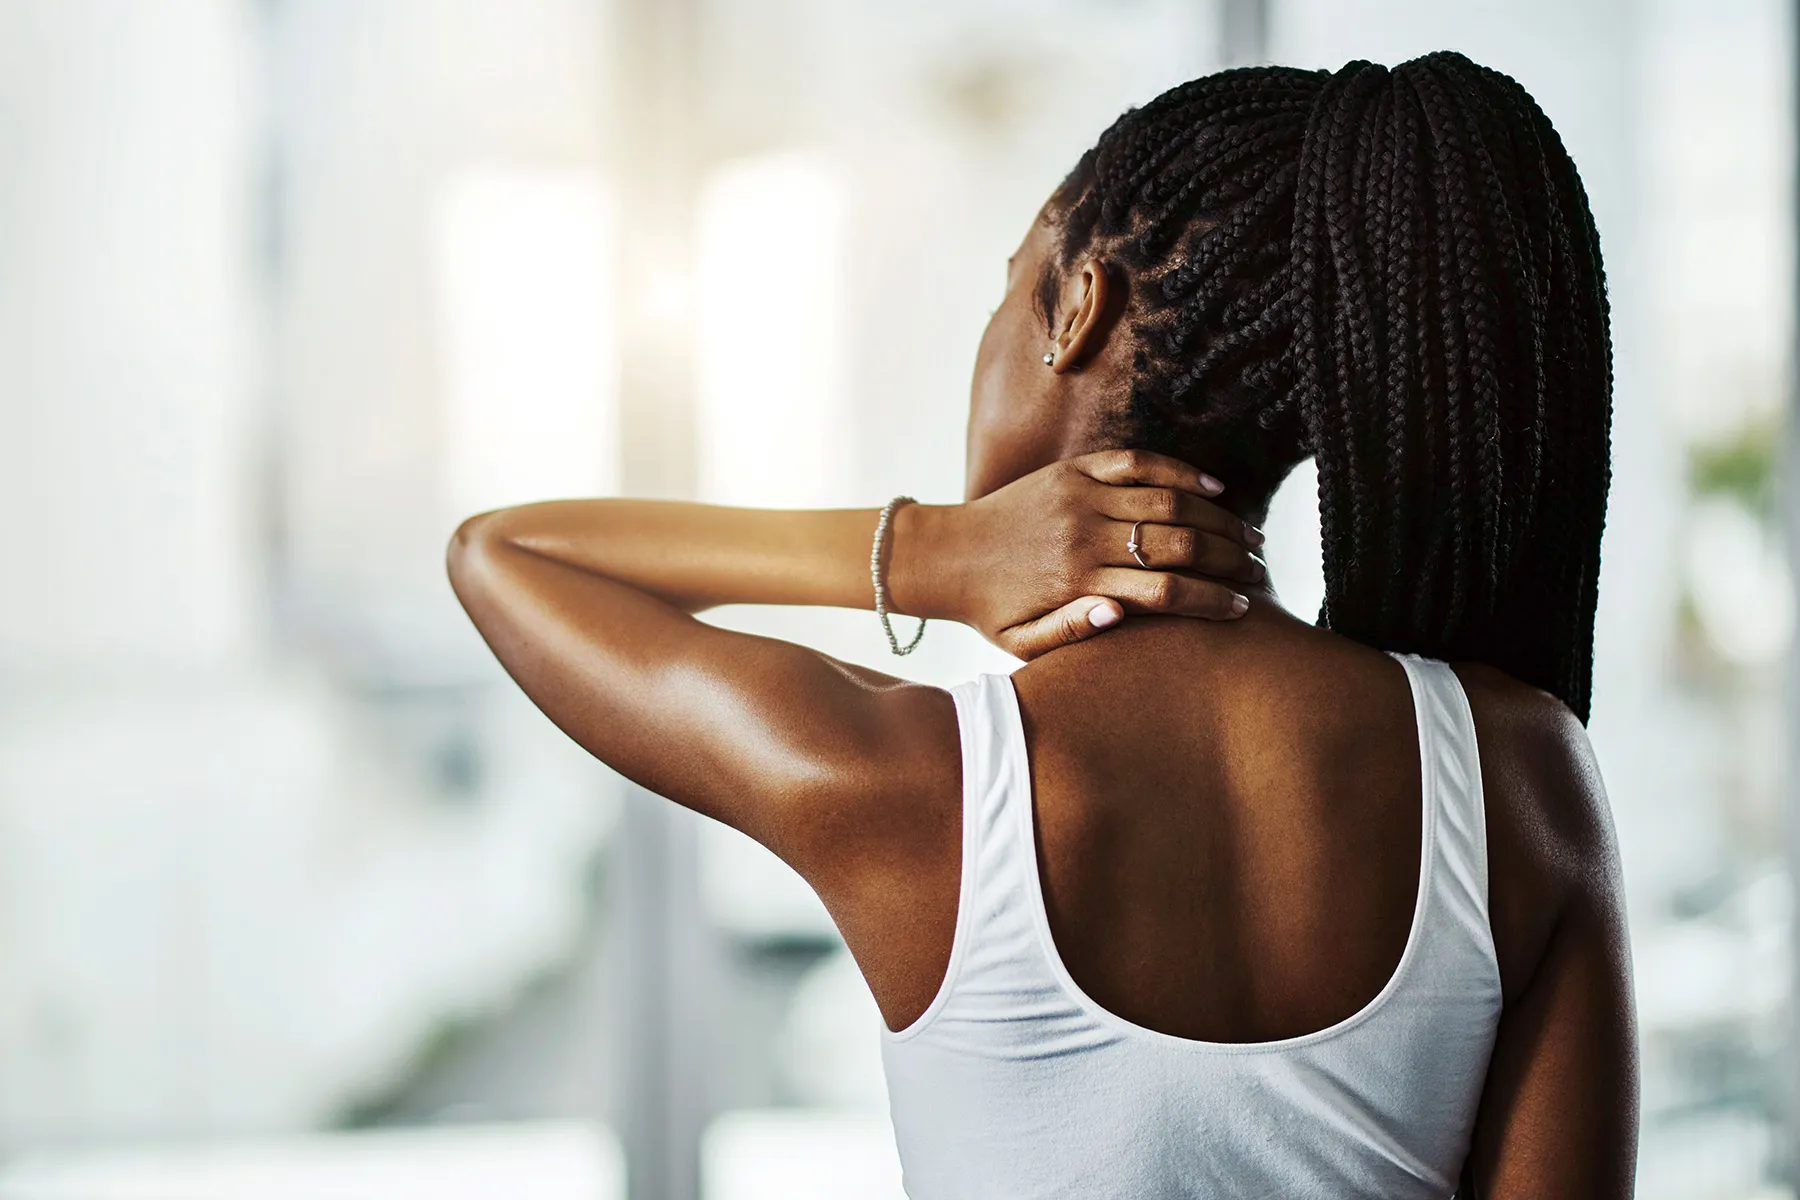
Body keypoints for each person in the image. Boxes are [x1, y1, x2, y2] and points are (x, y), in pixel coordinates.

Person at [448, 51, 1636, 1200]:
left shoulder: (912, 784)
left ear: (1076, 306)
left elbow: (504, 557)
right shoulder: (1521, 778)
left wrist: (929, 555)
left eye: (1005, 283)